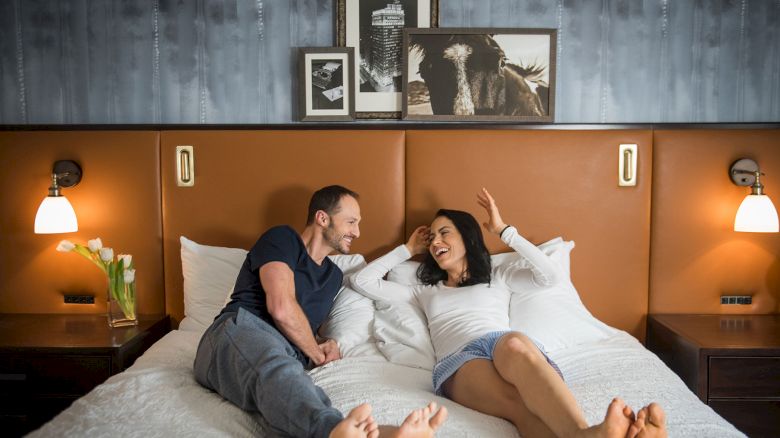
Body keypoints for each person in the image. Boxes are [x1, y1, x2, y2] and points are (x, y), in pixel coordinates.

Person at [351, 188, 668, 438]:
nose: (435, 241)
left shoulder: (498, 276)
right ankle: (590, 435)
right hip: (460, 360)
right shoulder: (423, 289)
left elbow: (551, 277)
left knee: (516, 343)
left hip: (503, 344)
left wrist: (504, 231)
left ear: (467, 237)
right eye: (431, 237)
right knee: (518, 406)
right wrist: (408, 250)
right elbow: (361, 281)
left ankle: (587, 434)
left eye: (444, 232)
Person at [194, 185, 447, 438]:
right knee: (276, 366)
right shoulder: (282, 238)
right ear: (322, 218)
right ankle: (334, 431)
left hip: (286, 352)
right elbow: (281, 308)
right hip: (238, 331)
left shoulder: (332, 276)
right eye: (351, 222)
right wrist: (316, 353)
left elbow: (302, 325)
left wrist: (324, 343)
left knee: (290, 380)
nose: (357, 232)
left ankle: (378, 434)